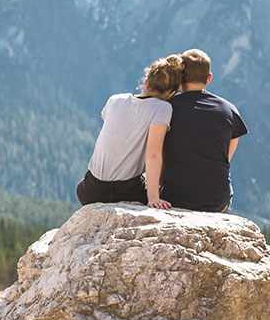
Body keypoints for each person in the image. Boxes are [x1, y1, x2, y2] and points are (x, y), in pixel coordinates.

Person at [77, 55, 184, 206]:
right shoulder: (163, 108)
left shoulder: (114, 99)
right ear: (171, 94)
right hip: (127, 191)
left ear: (146, 83)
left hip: (90, 191)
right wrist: (153, 197)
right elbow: (153, 154)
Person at [158, 48, 248, 212]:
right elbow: (225, 158)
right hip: (217, 201)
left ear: (180, 79)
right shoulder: (229, 110)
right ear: (209, 78)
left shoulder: (166, 109)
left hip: (174, 199)